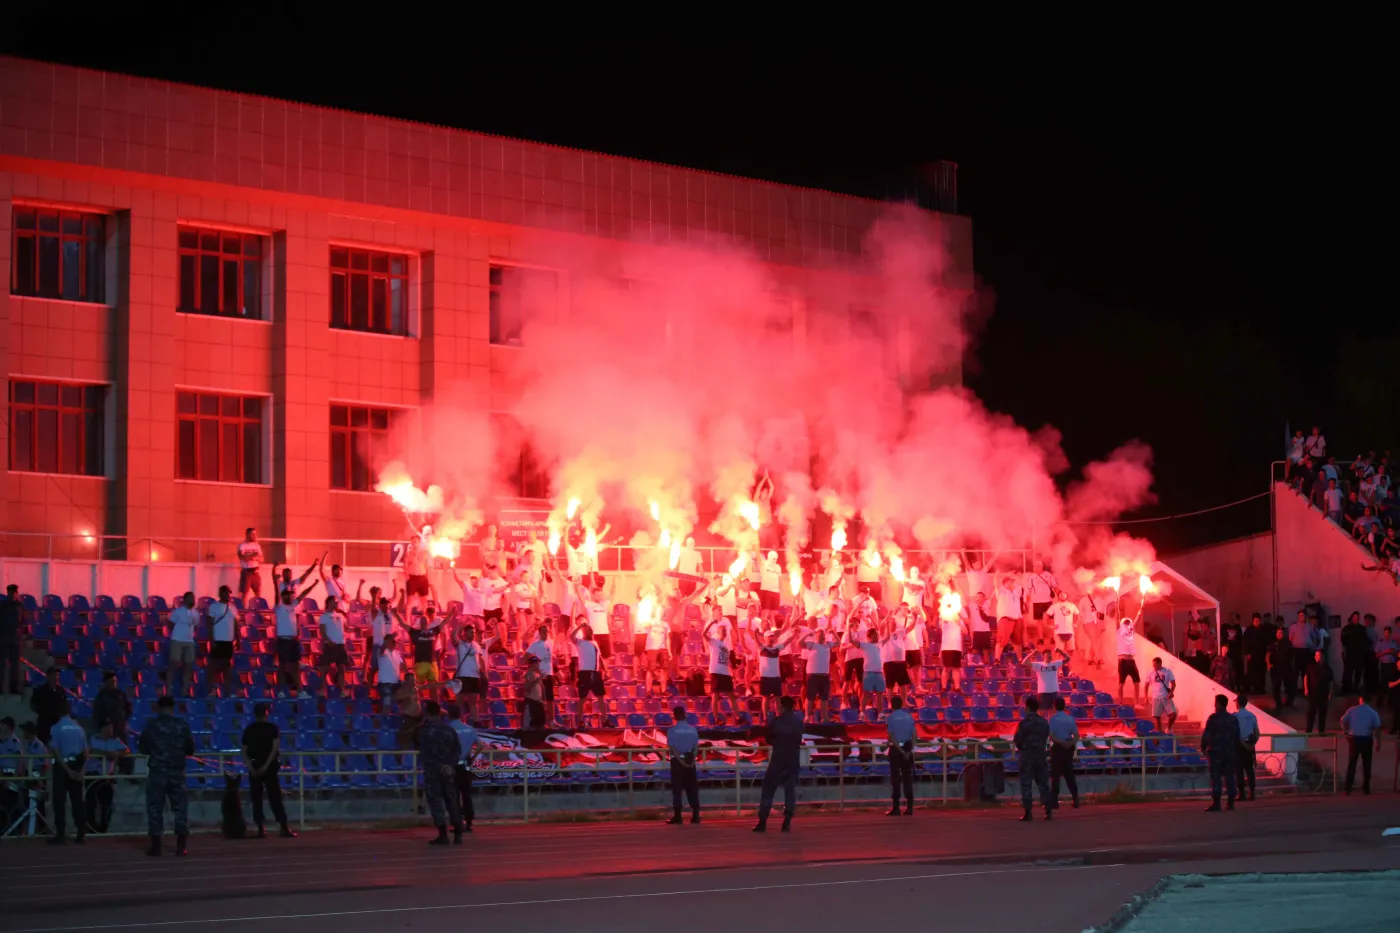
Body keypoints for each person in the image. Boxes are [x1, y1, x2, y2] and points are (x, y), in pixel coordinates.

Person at [138, 694, 195, 855]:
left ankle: (156, 846)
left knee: (155, 807)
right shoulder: (182, 725)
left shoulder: (152, 726)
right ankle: (181, 846)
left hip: (158, 772)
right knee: (180, 808)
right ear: (173, 707)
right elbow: (191, 748)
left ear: (159, 707)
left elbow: (143, 748)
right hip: (177, 772)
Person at [240, 702, 295, 838]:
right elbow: (274, 748)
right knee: (275, 797)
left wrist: (250, 767)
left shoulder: (249, 729)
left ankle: (260, 828)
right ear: (266, 713)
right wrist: (266, 765)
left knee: (256, 798)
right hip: (269, 767)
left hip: (255, 765)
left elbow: (244, 751)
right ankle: (283, 827)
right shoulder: (272, 728)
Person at [753, 695, 804, 833]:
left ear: (781, 706)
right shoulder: (798, 722)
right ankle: (787, 821)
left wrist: (777, 743)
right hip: (793, 759)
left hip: (778, 759)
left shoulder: (776, 721)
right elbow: (798, 740)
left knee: (768, 789)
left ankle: (763, 821)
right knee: (790, 791)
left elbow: (768, 739)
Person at [417, 701, 464, 845]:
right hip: (448, 771)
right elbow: (457, 751)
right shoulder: (449, 730)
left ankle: (443, 834)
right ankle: (458, 833)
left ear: (427, 713)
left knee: (436, 802)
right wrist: (450, 765)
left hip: (433, 771)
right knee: (452, 801)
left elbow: (422, 750)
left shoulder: (424, 730)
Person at [46, 699, 87, 844]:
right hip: (77, 764)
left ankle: (61, 834)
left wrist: (67, 770)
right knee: (78, 802)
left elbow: (55, 751)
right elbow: (86, 752)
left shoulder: (55, 728)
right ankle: (81, 833)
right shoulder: (79, 728)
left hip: (63, 767)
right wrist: (81, 771)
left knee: (59, 802)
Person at [85, 720, 128, 834]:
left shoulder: (115, 741)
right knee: (90, 802)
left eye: (112, 728)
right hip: (92, 773)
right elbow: (90, 749)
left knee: (107, 803)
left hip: (107, 775)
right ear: (102, 728)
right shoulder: (93, 738)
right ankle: (91, 827)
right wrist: (107, 753)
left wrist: (117, 754)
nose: (110, 730)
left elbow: (126, 750)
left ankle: (103, 827)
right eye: (108, 727)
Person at [1013, 696, 1052, 821]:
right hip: (1040, 755)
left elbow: (1017, 740)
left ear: (1027, 707)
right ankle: (1048, 810)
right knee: (1043, 783)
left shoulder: (1024, 724)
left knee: (1026, 784)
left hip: (1027, 756)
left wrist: (1024, 748)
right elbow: (1046, 736)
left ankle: (1028, 812)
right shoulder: (1044, 722)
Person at [1200, 693, 1240, 812]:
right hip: (1229, 751)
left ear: (1218, 704)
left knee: (1216, 777)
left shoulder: (1213, 718)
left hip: (1216, 752)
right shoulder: (1233, 718)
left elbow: (1207, 734)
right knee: (1230, 776)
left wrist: (1203, 747)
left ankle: (1217, 802)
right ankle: (1231, 802)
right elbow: (1237, 736)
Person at [1339, 694, 1382, 795]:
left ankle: (1348, 788)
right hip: (1366, 739)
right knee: (1367, 764)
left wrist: (1345, 732)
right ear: (1370, 700)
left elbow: (1342, 721)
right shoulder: (1373, 713)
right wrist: (1378, 743)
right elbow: (1377, 728)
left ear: (1360, 700)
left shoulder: (1352, 710)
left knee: (1352, 764)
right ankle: (1366, 788)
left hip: (1354, 739)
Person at [666, 704, 701, 825]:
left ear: (674, 716)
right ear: (685, 715)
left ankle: (678, 816)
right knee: (692, 788)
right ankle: (696, 816)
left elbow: (672, 748)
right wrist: (692, 760)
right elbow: (696, 747)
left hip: (677, 762)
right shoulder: (693, 730)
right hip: (690, 760)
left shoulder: (672, 731)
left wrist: (680, 761)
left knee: (677, 789)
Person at [448, 704, 481, 833]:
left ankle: (457, 822)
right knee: (466, 795)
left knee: (454, 795)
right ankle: (469, 822)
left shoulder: (449, 729)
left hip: (453, 765)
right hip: (466, 765)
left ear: (450, 715)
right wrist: (472, 758)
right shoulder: (470, 729)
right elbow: (480, 745)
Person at [570, 616, 606, 727]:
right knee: (582, 698)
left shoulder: (594, 643)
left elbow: (599, 657)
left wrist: (604, 668)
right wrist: (580, 626)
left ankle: (605, 720)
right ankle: (580, 721)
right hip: (585, 673)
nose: (589, 632)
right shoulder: (580, 642)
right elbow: (571, 636)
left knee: (600, 697)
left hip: (595, 673)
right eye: (587, 630)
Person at [885, 695, 915, 816]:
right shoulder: (909, 717)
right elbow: (914, 735)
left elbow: (891, 736)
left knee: (895, 778)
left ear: (892, 705)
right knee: (907, 777)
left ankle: (896, 807)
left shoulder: (890, 718)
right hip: (907, 748)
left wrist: (900, 750)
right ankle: (910, 807)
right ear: (902, 704)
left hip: (896, 750)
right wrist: (908, 751)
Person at [207, 585, 239, 696]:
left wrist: (238, 639)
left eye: (229, 593)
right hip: (218, 640)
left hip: (228, 641)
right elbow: (210, 624)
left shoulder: (233, 608)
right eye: (225, 593)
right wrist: (211, 640)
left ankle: (227, 692)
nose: (228, 595)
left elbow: (236, 624)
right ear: (220, 594)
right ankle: (211, 690)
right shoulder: (213, 607)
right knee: (213, 666)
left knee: (227, 666)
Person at [1048, 697, 1080, 809]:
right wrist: (1069, 743)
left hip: (1057, 748)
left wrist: (1059, 742)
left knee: (1055, 776)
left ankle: (1054, 802)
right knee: (1069, 774)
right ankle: (1075, 799)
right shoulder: (1070, 719)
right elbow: (1076, 736)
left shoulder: (1052, 719)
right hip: (1068, 748)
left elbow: (1051, 735)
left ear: (1054, 706)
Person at [166, 592, 199, 697]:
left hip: (189, 641)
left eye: (193, 598)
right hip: (177, 640)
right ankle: (168, 689)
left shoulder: (196, 613)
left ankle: (185, 690)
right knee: (174, 664)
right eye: (190, 598)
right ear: (185, 600)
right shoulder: (178, 612)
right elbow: (170, 624)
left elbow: (196, 625)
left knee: (188, 666)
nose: (193, 600)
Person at [317, 597, 352, 694]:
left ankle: (342, 691)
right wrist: (328, 641)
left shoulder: (340, 615)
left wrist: (354, 629)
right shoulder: (323, 617)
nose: (335, 604)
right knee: (325, 669)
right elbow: (322, 632)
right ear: (328, 603)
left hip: (341, 644)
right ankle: (322, 690)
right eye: (333, 602)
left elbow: (347, 628)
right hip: (330, 645)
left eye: (336, 602)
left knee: (341, 668)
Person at [30, 666, 66, 742]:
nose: (56, 677)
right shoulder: (41, 690)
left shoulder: (61, 691)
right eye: (54, 674)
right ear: (48, 676)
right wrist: (43, 712)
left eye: (57, 675)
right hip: (45, 724)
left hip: (57, 723)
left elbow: (64, 706)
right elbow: (33, 704)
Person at [91, 670, 131, 740]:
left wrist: (124, 719)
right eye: (112, 681)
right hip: (107, 731)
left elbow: (128, 708)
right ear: (107, 682)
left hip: (121, 729)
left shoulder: (120, 694)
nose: (114, 683)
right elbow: (97, 714)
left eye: (115, 681)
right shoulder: (101, 697)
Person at [1234, 694, 1259, 802]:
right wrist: (1251, 744)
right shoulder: (1252, 715)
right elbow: (1257, 733)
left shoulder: (1235, 716)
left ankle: (1241, 794)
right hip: (1250, 746)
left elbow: (1235, 733)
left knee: (1239, 771)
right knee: (1250, 770)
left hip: (1239, 746)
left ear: (1238, 703)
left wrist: (1242, 743)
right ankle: (1252, 793)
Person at [0, 584, 24, 697]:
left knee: (15, 665)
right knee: (1, 664)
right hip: (3, 638)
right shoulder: (2, 606)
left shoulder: (20, 606)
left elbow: (23, 621)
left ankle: (13, 688)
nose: (12, 595)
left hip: (15, 638)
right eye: (10, 593)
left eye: (14, 593)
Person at [1304, 649, 1333, 733]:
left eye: (1319, 656)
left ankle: (1321, 731)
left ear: (1323, 657)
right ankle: (1308, 731)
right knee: (1311, 713)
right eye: (1316, 656)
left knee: (1322, 713)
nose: (1317, 657)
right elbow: (1306, 677)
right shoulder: (1310, 666)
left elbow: (1331, 681)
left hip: (1323, 694)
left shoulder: (1327, 668)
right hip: (1313, 693)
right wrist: (1306, 688)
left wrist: (1330, 692)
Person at [1267, 627, 1296, 710]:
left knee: (1291, 686)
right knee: (1276, 687)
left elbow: (1292, 656)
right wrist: (1268, 664)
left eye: (1281, 633)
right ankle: (1278, 704)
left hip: (1286, 666)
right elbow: (1268, 655)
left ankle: (1289, 703)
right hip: (1276, 666)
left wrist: (1293, 666)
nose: (1280, 634)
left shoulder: (1288, 643)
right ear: (1276, 634)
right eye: (1278, 633)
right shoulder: (1272, 644)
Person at [1147, 657, 1178, 733]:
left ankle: (1168, 729)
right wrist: (1145, 697)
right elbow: (1146, 685)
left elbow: (1173, 684)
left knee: (1173, 713)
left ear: (1160, 663)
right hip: (1155, 697)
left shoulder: (1167, 671)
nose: (1153, 666)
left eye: (1155, 664)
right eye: (1153, 664)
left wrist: (1170, 693)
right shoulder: (1151, 673)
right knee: (1157, 717)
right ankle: (1159, 733)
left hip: (1165, 696)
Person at [1116, 617, 1141, 706]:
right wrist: (1117, 606)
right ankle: (1120, 702)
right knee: (1121, 684)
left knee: (1137, 682)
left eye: (1128, 622)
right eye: (1125, 622)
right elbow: (1117, 620)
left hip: (1131, 661)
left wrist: (1141, 609)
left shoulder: (1131, 632)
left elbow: (1136, 620)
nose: (1127, 624)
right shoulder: (1119, 632)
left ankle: (1136, 702)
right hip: (1123, 661)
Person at [237, 527, 264, 607]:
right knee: (244, 594)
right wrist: (253, 555)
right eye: (252, 534)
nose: (254, 536)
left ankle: (257, 611)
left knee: (258, 594)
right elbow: (242, 557)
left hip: (255, 572)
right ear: (247, 534)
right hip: (246, 572)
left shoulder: (257, 546)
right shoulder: (242, 546)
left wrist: (254, 558)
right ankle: (243, 613)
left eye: (255, 534)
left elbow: (262, 559)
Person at [522, 655, 546, 729]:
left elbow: (542, 688)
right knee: (530, 724)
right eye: (537, 663)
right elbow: (527, 687)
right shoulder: (528, 673)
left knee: (541, 723)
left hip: (538, 702)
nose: (538, 664)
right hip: (531, 702)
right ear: (532, 664)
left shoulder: (537, 674)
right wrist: (537, 680)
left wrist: (543, 700)